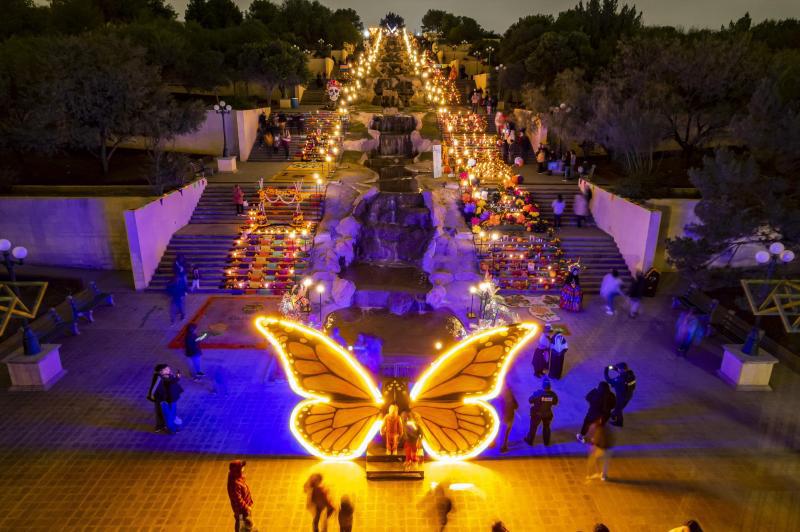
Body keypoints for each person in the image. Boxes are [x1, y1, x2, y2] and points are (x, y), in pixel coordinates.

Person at [524, 378, 558, 446]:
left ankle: (530, 441)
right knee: (546, 427)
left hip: (537, 414)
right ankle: (546, 442)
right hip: (547, 414)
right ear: (550, 387)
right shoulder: (553, 395)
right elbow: (555, 403)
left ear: (543, 386)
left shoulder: (538, 394)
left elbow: (530, 400)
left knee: (533, 428)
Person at [605, 363, 636, 427]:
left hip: (621, 397)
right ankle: (614, 416)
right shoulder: (631, 375)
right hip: (628, 395)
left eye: (619, 368)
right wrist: (611, 367)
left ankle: (619, 422)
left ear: (622, 370)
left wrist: (605, 371)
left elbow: (610, 381)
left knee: (618, 409)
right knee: (619, 408)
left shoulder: (620, 379)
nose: (618, 369)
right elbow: (619, 370)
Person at [227, 460, 255, 532]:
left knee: (242, 523)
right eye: (241, 467)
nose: (243, 468)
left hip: (243, 510)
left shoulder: (238, 477)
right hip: (242, 510)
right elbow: (238, 499)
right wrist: (247, 508)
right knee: (245, 523)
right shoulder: (234, 484)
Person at [146, 363, 168, 432]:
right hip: (159, 398)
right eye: (166, 369)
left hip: (162, 396)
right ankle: (160, 426)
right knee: (160, 411)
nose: (168, 370)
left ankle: (163, 425)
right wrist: (152, 397)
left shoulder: (162, 376)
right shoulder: (158, 377)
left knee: (162, 411)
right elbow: (154, 388)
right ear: (161, 371)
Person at [497, 386, 518, 452]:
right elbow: (516, 406)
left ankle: (502, 445)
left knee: (503, 431)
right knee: (506, 431)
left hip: (504, 415)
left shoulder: (501, 397)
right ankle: (504, 446)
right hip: (509, 415)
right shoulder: (511, 397)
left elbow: (499, 405)